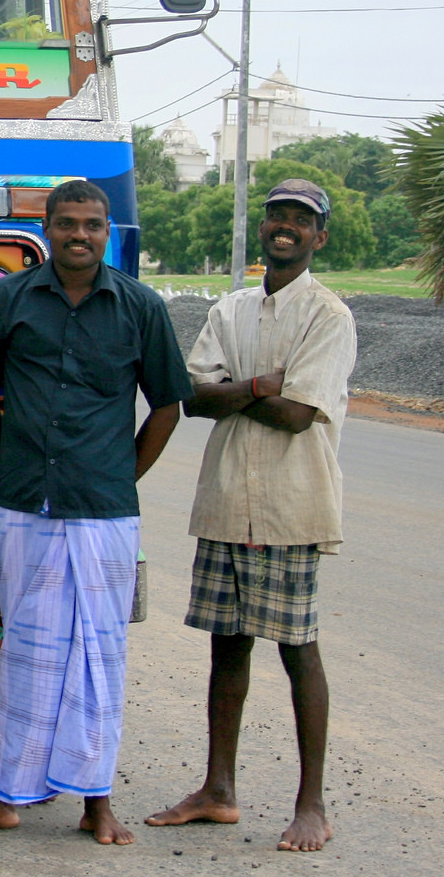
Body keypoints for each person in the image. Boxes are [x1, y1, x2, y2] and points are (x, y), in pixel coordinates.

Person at [0, 179, 192, 844]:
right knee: (27, 650)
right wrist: (9, 461)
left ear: (107, 231)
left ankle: (96, 800)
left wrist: (123, 473)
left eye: (92, 224)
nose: (79, 234)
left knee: (99, 655)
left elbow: (167, 405)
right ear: (48, 229)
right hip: (28, 503)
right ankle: (6, 795)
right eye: (67, 223)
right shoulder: (9, 299)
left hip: (105, 511)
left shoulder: (140, 306)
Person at [145, 178, 355, 853]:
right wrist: (264, 383)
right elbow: (192, 397)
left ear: (320, 236)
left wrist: (235, 391)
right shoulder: (232, 307)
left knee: (298, 650)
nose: (285, 226)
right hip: (228, 500)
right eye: (276, 216)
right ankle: (219, 789)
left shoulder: (328, 315)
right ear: (262, 228)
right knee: (227, 647)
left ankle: (312, 804)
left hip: (291, 506)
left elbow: (297, 416)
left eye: (300, 219)